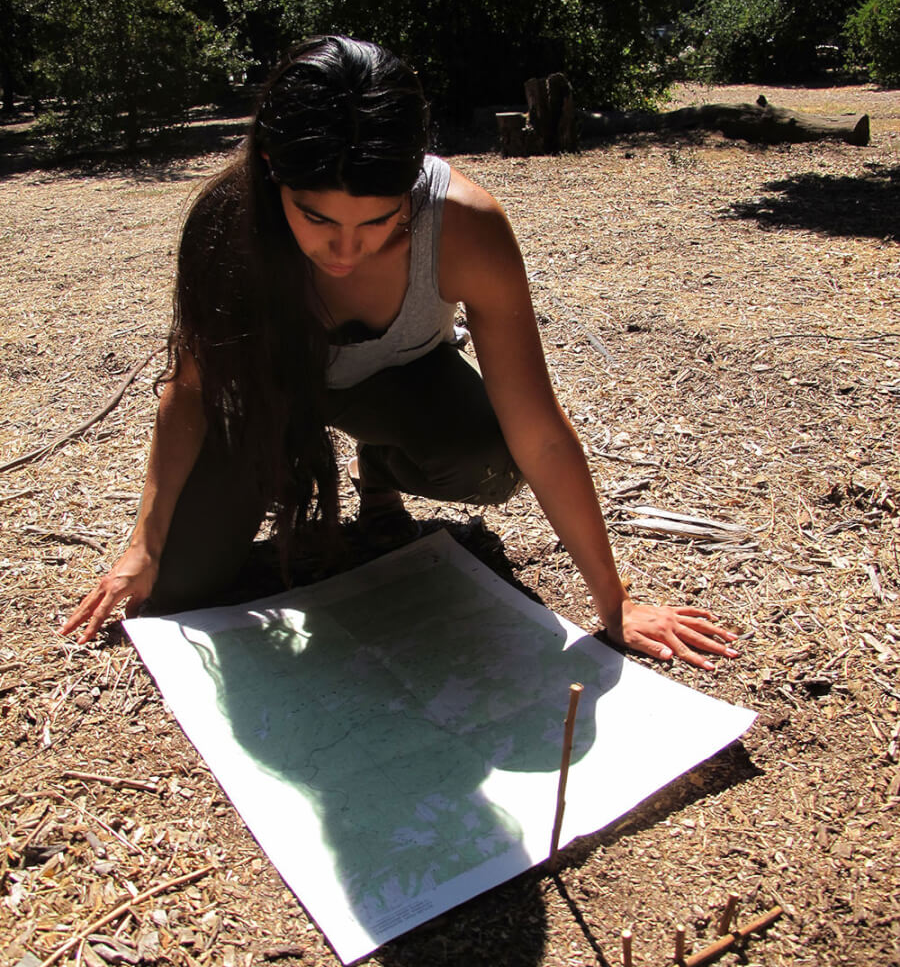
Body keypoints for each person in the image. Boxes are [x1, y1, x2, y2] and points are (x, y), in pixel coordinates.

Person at [62, 35, 738, 671]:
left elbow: (539, 431)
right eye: (318, 219)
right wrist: (144, 544)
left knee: (488, 460)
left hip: (400, 386)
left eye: (381, 222)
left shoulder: (468, 226)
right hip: (272, 403)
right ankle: (283, 470)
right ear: (271, 170)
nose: (346, 253)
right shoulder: (225, 226)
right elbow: (188, 390)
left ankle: (377, 468)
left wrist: (613, 602)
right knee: (178, 588)